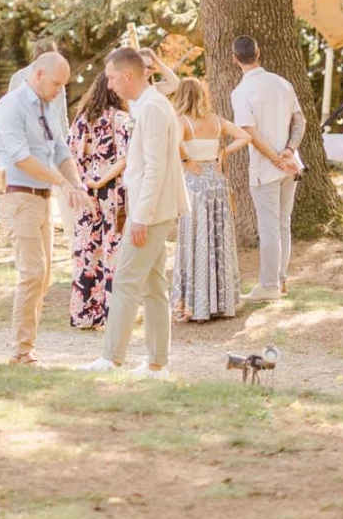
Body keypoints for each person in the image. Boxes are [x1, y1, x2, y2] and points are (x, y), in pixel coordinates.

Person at [78, 46, 188, 380]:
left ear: (127, 75)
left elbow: (154, 169)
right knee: (154, 286)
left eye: (111, 78)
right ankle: (157, 363)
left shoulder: (153, 108)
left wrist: (140, 217)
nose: (109, 85)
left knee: (125, 280)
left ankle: (112, 358)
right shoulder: (151, 104)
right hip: (157, 208)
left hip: (151, 212)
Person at [0, 51, 91, 365]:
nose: (60, 90)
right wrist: (61, 183)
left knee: (44, 275)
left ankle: (26, 346)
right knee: (32, 271)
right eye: (56, 83)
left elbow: (61, 149)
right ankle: (21, 350)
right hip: (18, 196)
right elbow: (21, 157)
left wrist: (75, 184)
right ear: (37, 74)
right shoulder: (11, 105)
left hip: (43, 197)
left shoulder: (48, 107)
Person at [229, 35, 304, 301]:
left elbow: (249, 133)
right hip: (290, 164)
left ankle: (270, 284)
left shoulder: (241, 93)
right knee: (283, 223)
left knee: (271, 226)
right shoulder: (282, 83)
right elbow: (299, 120)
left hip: (268, 167)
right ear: (258, 52)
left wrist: (275, 158)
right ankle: (280, 280)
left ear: (235, 59)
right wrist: (289, 150)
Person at [169, 77, 246, 322]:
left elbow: (172, 142)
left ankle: (196, 304)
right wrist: (222, 152)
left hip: (195, 184)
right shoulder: (216, 121)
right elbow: (245, 136)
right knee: (218, 238)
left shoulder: (182, 122)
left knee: (196, 239)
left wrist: (185, 160)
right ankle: (221, 302)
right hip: (216, 183)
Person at [67, 69, 131, 330]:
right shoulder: (121, 119)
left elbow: (69, 153)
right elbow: (127, 157)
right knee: (112, 249)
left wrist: (82, 181)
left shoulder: (81, 120)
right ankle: (111, 314)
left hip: (85, 191)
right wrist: (103, 179)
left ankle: (85, 313)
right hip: (111, 191)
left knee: (86, 250)